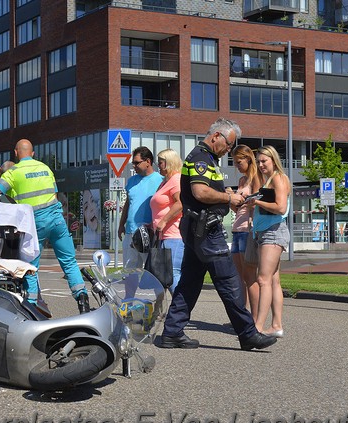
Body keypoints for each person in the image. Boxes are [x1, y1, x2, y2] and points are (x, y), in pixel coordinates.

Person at [159, 118, 277, 351]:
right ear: (216, 137)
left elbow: (204, 192)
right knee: (229, 282)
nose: (229, 150)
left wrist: (226, 197)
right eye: (229, 144)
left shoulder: (204, 157)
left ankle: (172, 332)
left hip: (196, 229)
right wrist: (228, 198)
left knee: (189, 282)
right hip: (206, 231)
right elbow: (200, 191)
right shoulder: (201, 157)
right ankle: (248, 334)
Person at [0, 139, 91, 314]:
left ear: (16, 153)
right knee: (69, 262)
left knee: (30, 265)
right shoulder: (45, 168)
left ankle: (31, 304)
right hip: (56, 219)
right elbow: (55, 194)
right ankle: (82, 298)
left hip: (35, 224)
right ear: (32, 153)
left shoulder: (14, 172)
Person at [248, 145, 291, 338]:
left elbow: (281, 208)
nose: (260, 164)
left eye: (264, 161)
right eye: (258, 161)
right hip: (266, 232)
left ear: (274, 160)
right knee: (273, 280)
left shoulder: (279, 178)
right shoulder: (268, 179)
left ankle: (258, 327)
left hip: (273, 233)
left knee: (263, 279)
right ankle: (276, 325)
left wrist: (257, 202)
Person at [118, 146, 163, 268]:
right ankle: (130, 288)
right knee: (129, 270)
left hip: (149, 233)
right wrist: (121, 224)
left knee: (152, 270)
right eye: (133, 163)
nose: (134, 166)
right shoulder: (132, 181)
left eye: (137, 163)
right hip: (130, 232)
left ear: (148, 162)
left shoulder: (160, 180)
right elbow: (128, 203)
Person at [229, 145, 261, 314]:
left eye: (238, 161)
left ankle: (255, 318)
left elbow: (255, 205)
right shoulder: (242, 181)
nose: (236, 165)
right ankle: (243, 315)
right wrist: (231, 199)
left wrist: (244, 200)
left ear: (248, 159)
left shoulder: (255, 178)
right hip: (237, 229)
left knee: (250, 277)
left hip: (247, 230)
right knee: (238, 277)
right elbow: (238, 209)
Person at [149, 148, 184, 294]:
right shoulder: (165, 181)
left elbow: (180, 203)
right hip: (162, 235)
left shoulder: (176, 179)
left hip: (174, 234)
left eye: (161, 162)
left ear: (169, 162)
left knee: (172, 274)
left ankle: (181, 309)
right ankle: (174, 311)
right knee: (163, 276)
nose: (158, 165)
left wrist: (163, 220)